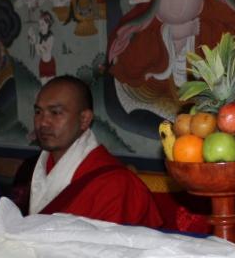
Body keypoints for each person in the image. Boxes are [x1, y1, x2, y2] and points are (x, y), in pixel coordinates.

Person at [12, 76, 163, 228]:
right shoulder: (28, 170)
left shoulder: (117, 185)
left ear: (84, 119)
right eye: (38, 112)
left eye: (55, 113)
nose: (43, 122)